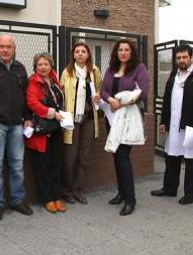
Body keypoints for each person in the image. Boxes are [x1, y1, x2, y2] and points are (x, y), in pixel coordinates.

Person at [0, 34, 34, 221]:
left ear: (13, 48)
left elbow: (26, 96)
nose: (5, 50)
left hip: (17, 125)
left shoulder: (20, 68)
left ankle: (17, 200)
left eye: (8, 47)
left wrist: (27, 118)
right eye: (1, 46)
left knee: (17, 165)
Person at [151, 44, 193, 205]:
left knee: (191, 161)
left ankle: (191, 194)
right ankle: (169, 188)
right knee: (172, 157)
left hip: (192, 127)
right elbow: (166, 101)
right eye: (178, 58)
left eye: (185, 57)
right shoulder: (173, 78)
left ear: (191, 58)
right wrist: (163, 121)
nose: (182, 60)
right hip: (173, 126)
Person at [101, 38, 149, 216]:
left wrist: (120, 103)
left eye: (126, 50)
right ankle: (121, 193)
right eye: (120, 50)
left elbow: (142, 93)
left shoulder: (139, 68)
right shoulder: (111, 69)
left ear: (132, 52)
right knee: (116, 155)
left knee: (122, 156)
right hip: (111, 117)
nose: (123, 52)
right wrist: (111, 100)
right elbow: (103, 90)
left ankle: (130, 199)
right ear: (116, 52)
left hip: (129, 118)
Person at [60, 42, 102, 204]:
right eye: (77, 51)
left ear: (88, 54)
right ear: (73, 55)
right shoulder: (67, 72)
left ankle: (78, 190)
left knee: (84, 157)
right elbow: (61, 94)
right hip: (72, 120)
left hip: (89, 119)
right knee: (70, 157)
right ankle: (67, 190)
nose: (80, 54)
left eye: (83, 51)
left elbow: (98, 89)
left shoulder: (94, 71)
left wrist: (97, 96)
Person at [25, 52, 66, 213]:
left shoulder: (54, 80)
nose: (43, 67)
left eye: (46, 64)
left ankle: (57, 196)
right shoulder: (33, 82)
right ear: (35, 67)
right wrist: (52, 113)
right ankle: (47, 198)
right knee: (43, 165)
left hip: (55, 129)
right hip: (41, 130)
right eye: (40, 64)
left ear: (51, 66)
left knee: (56, 163)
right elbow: (32, 103)